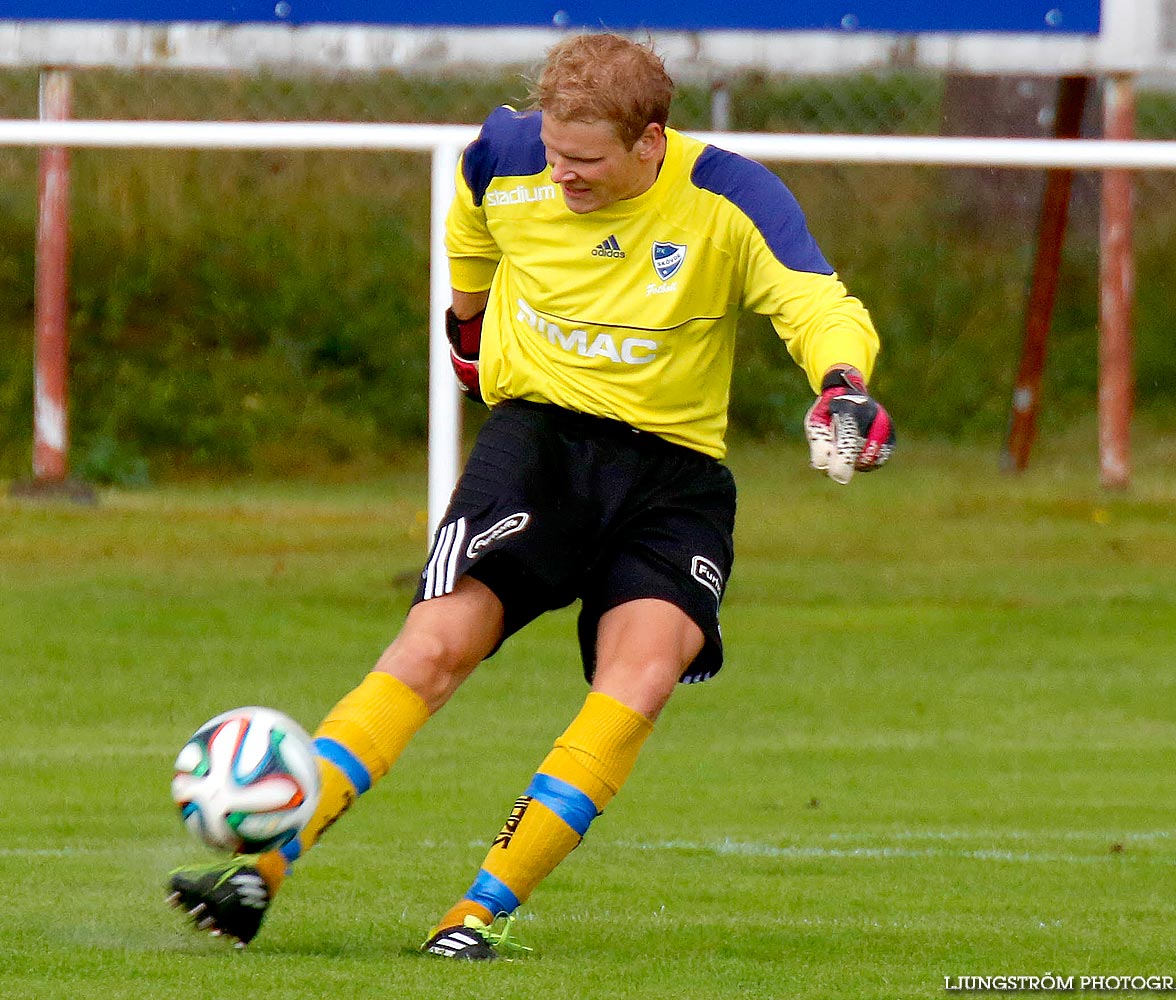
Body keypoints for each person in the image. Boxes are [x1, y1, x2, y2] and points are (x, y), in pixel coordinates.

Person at [166, 31, 894, 960]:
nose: (564, 178)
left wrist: (841, 382)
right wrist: (467, 326)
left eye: (586, 163)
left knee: (639, 682)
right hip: (537, 447)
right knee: (433, 649)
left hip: (672, 478)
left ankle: (474, 917)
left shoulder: (731, 196)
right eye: (555, 156)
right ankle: (255, 874)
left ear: (649, 141)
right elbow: (469, 224)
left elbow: (818, 304)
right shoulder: (505, 157)